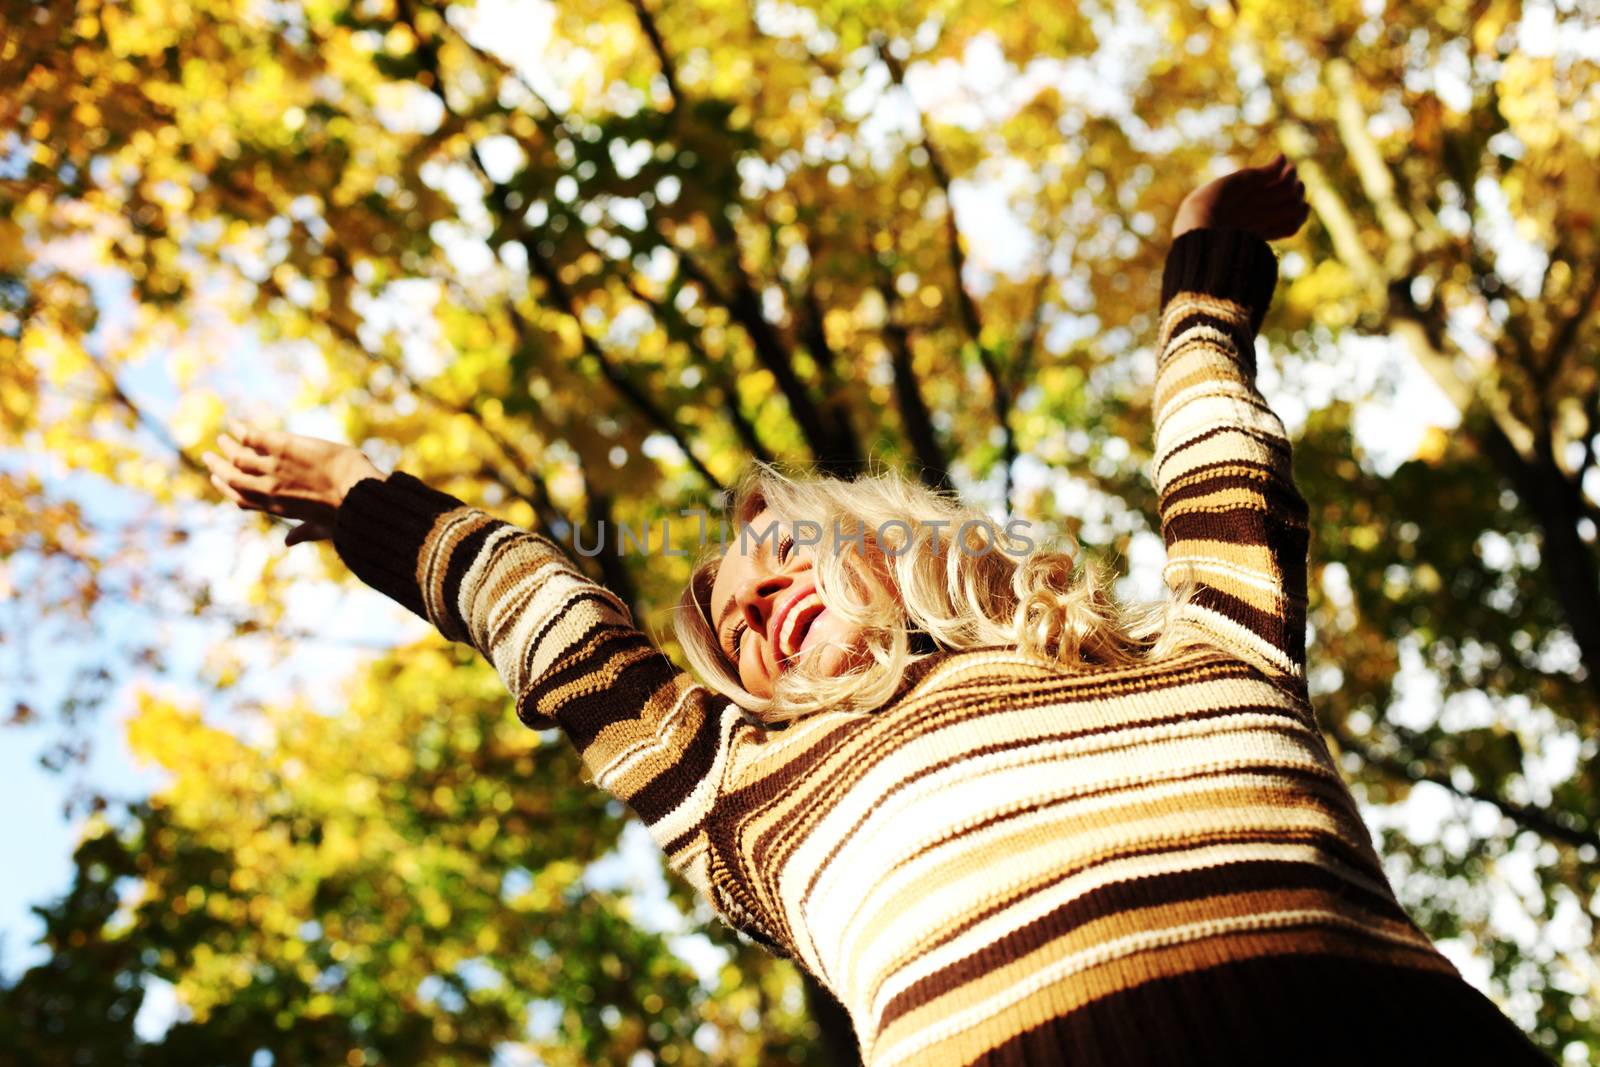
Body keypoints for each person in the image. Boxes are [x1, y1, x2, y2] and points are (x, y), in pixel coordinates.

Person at [203, 157, 1551, 1065]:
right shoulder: (745, 791)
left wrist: (1203, 269)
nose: (753, 609)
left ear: (895, 544)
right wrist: (366, 498)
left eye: (780, 559)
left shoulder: (1202, 646)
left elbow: (1220, 454)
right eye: (728, 629)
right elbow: (545, 613)